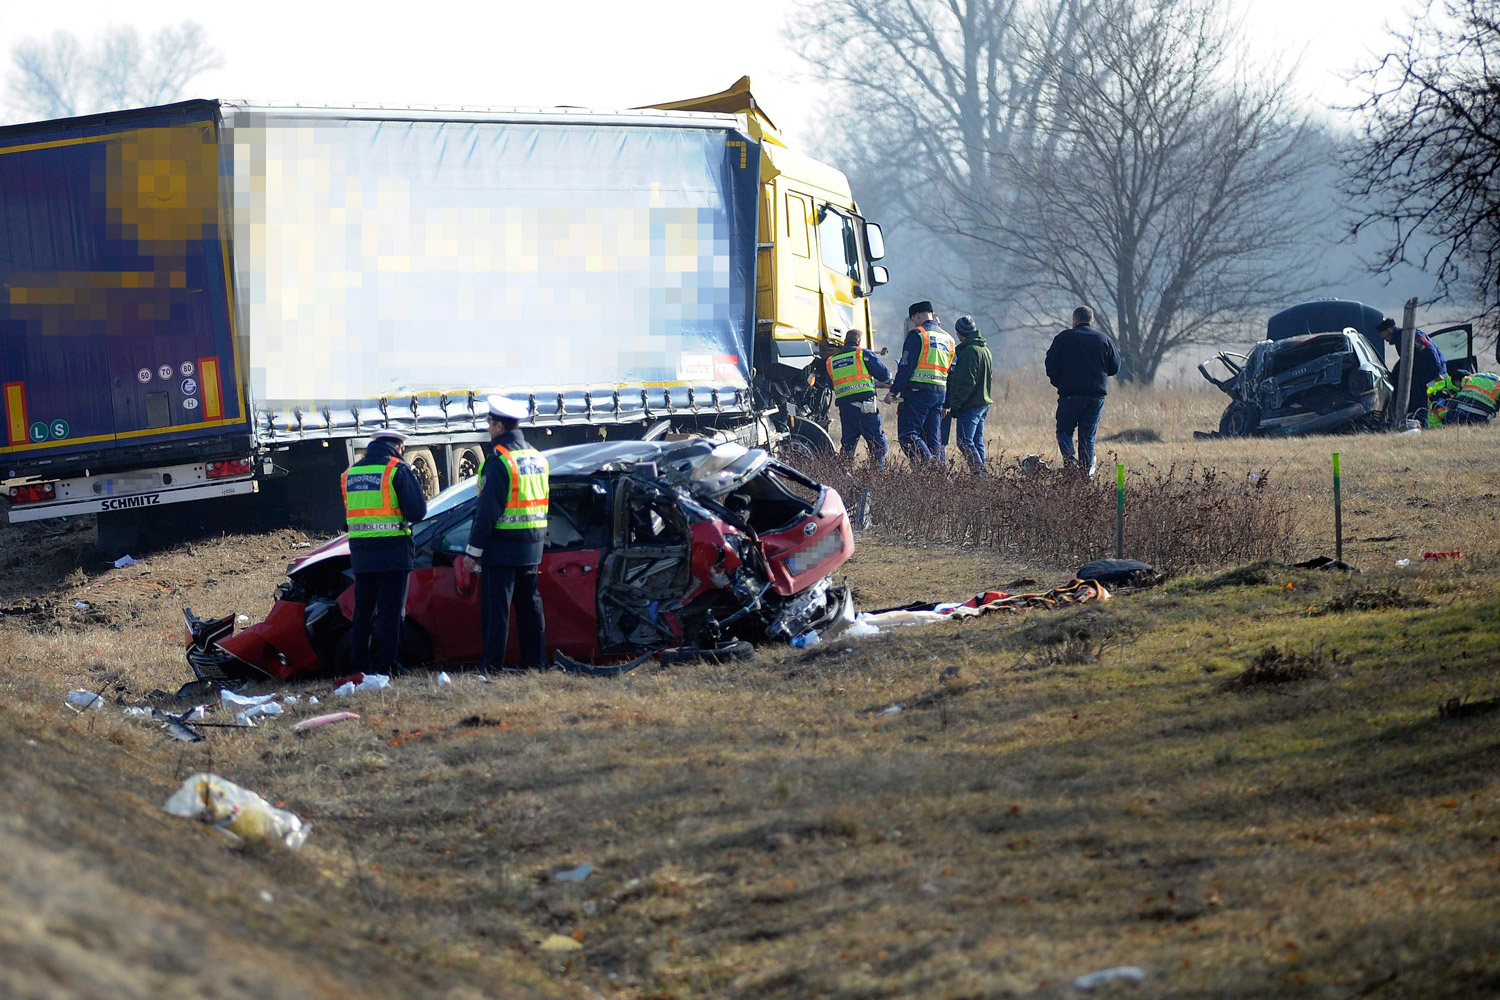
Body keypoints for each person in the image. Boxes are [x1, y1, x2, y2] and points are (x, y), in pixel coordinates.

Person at [462, 395, 550, 671]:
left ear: (500, 426)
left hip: (502, 548)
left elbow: (487, 512)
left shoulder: (500, 460)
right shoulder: (537, 457)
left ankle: (491, 668)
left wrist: (472, 553)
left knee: (496, 612)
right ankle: (536, 665)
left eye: (489, 423)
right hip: (533, 545)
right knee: (530, 608)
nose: (487, 428)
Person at [341, 428, 428, 675]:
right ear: (399, 447)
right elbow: (417, 512)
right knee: (390, 613)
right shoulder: (396, 470)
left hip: (361, 554)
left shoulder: (350, 474)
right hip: (393, 553)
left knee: (363, 613)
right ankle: (387, 667)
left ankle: (360, 668)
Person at [1045, 305, 1120, 476]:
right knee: (1087, 436)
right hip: (1095, 397)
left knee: (1064, 431)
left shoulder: (1063, 338)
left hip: (1069, 395)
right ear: (1091, 321)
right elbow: (1114, 367)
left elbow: (1050, 365)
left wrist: (1059, 383)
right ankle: (1085, 475)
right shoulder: (1104, 339)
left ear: (1075, 320)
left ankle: (1070, 461)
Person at [884, 300, 954, 462]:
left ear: (917, 316)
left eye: (913, 319)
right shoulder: (948, 339)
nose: (914, 323)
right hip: (939, 394)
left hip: (918, 393)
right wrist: (947, 402)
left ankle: (929, 465)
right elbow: (951, 374)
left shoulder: (918, 335)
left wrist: (893, 391)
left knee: (908, 435)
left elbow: (906, 367)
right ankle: (939, 474)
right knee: (932, 437)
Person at [824, 328, 892, 468]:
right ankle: (878, 474)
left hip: (846, 410)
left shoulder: (831, 361)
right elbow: (884, 375)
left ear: (844, 341)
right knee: (877, 444)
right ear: (859, 341)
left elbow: (831, 384)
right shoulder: (862, 354)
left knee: (848, 446)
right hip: (865, 408)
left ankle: (844, 476)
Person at [943, 315, 993, 472]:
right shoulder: (984, 349)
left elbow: (966, 382)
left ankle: (979, 475)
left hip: (970, 405)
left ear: (960, 333)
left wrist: (956, 405)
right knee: (977, 442)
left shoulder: (969, 352)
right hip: (982, 404)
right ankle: (982, 475)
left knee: (964, 441)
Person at [1378, 318, 1448, 416]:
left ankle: (1428, 424)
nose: (1382, 337)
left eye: (1382, 333)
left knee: (1429, 399)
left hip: (1432, 374)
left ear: (1388, 330)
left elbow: (1430, 352)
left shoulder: (1409, 337)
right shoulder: (1401, 339)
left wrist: (1437, 373)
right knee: (1418, 399)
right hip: (1424, 374)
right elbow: (1406, 360)